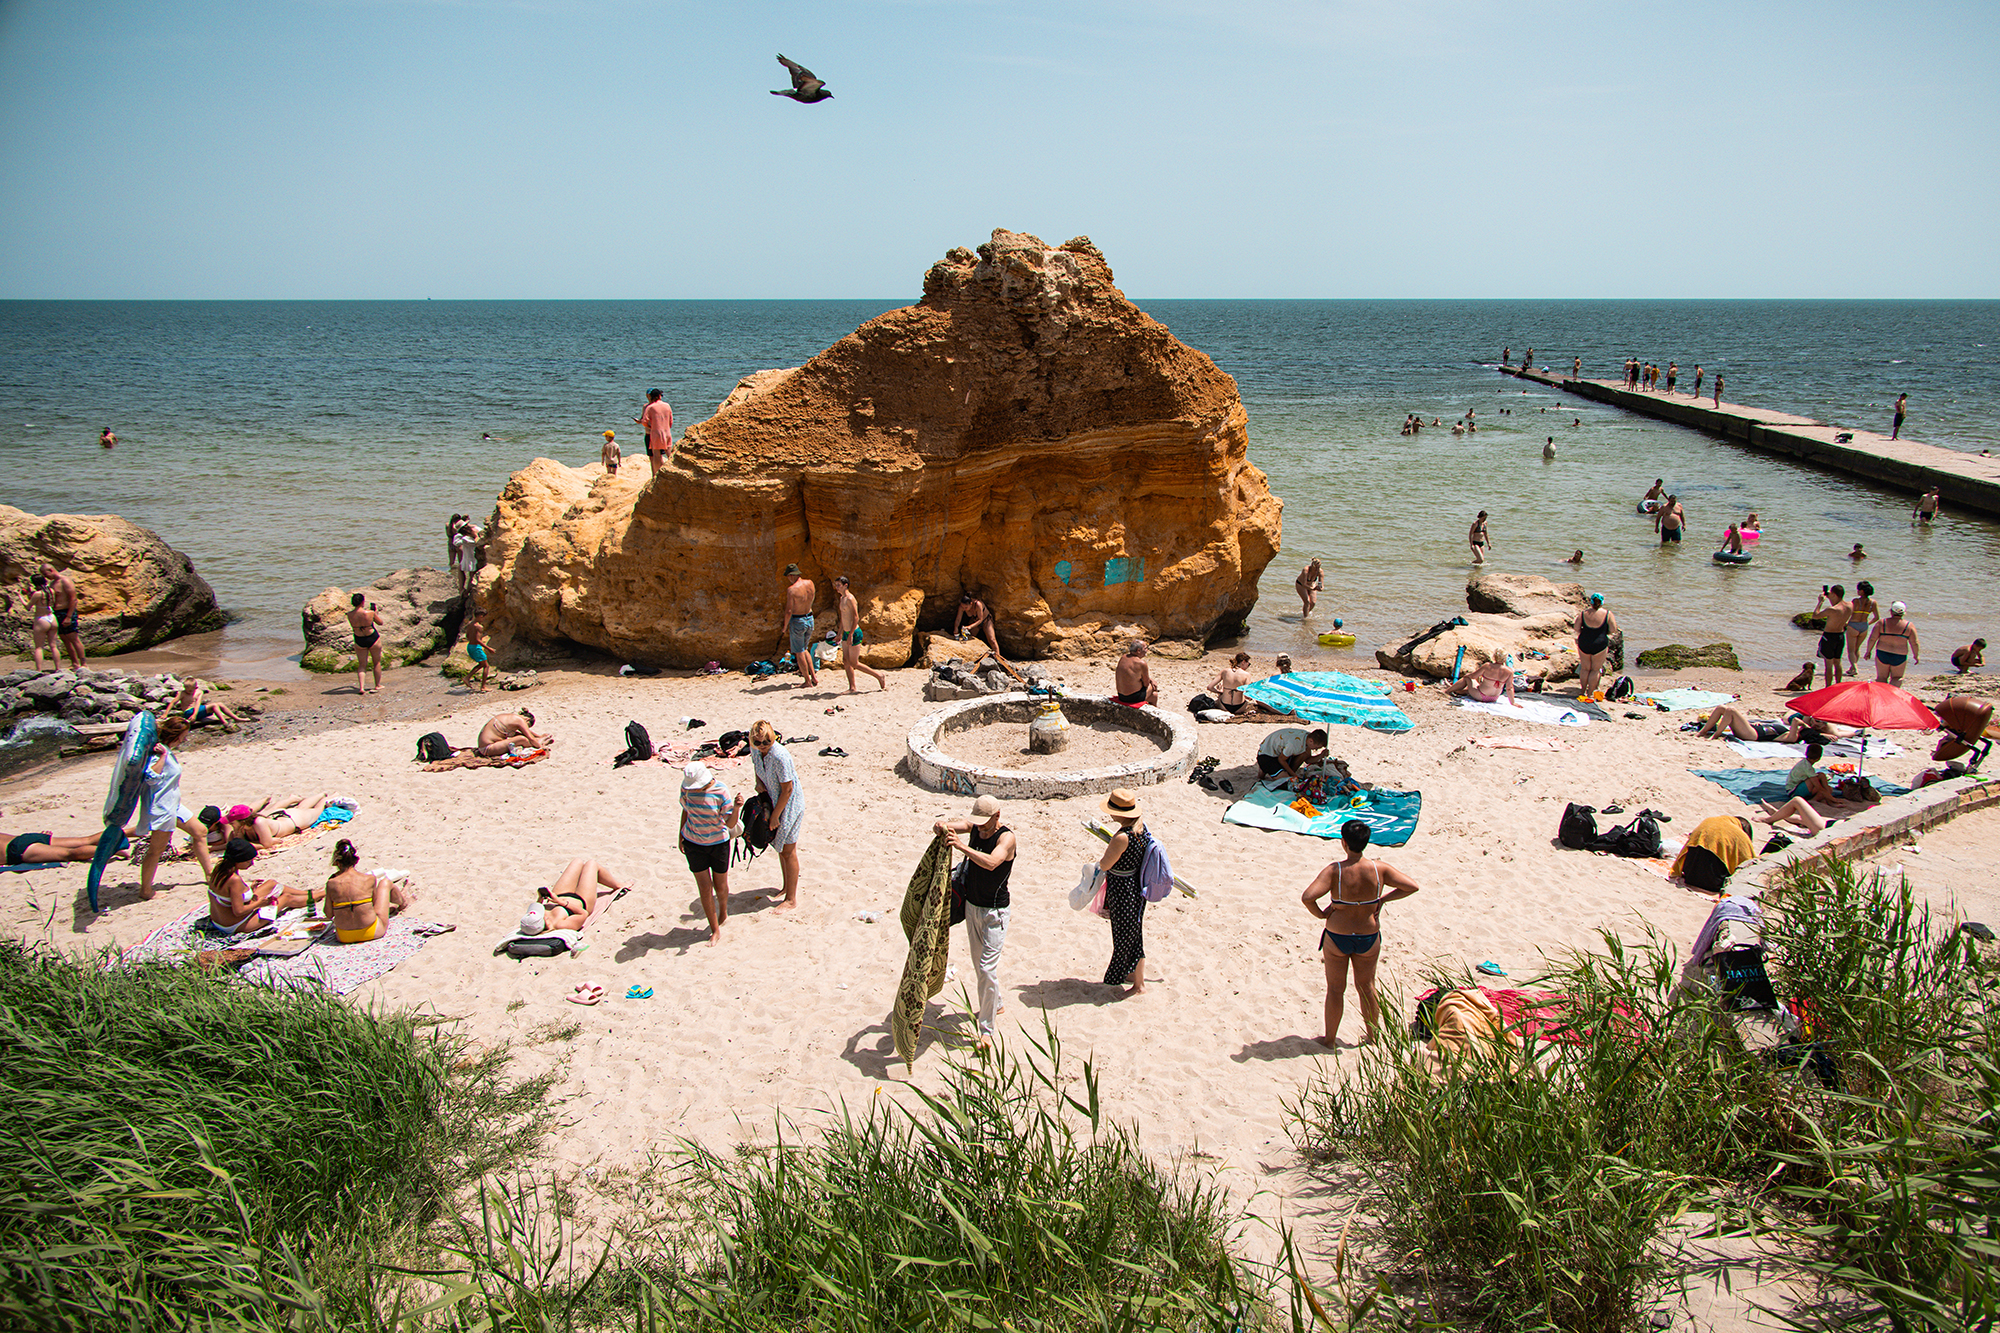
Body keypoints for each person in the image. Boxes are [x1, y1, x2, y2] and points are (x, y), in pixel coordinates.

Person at [1302, 820, 1420, 1047]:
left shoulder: (1335, 870)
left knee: (1336, 989)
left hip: (1338, 935)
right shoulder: (1379, 868)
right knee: (1366, 987)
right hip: (1368, 936)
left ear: (1343, 843)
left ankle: (1329, 1040)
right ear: (1366, 842)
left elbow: (1308, 897)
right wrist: (1382, 899)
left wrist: (1321, 915)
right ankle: (1373, 1036)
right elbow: (1411, 886)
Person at [935, 794, 1016, 1045]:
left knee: (986, 968)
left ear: (997, 817)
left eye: (985, 822)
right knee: (980, 967)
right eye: (977, 821)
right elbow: (949, 825)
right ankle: (997, 1003)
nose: (980, 826)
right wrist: (940, 826)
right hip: (972, 907)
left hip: (995, 913)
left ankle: (986, 1031)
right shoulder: (974, 827)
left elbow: (992, 862)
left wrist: (961, 847)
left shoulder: (1006, 838)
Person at [134, 715, 215, 900]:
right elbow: (150, 777)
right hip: (162, 807)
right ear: (176, 735)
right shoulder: (158, 752)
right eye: (184, 735)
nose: (186, 739)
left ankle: (209, 874)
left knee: (200, 831)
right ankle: (145, 891)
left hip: (174, 804)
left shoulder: (167, 750)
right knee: (156, 849)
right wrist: (162, 756)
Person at [1096, 788, 1152, 996]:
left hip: (1123, 889)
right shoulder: (1141, 829)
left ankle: (1139, 985)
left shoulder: (1122, 837)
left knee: (1127, 935)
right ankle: (1133, 975)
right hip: (1135, 886)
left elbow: (1105, 863)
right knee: (1133, 932)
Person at [680, 761, 743, 946]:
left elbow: (730, 824)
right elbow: (685, 812)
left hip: (718, 844)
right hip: (693, 843)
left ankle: (723, 910)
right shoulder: (686, 789)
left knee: (721, 886)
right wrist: (680, 836)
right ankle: (714, 929)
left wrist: (737, 808)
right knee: (705, 888)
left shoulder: (720, 791)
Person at [749, 720, 805, 911]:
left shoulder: (780, 756)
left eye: (767, 742)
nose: (763, 746)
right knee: (780, 847)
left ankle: (791, 899)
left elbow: (788, 789)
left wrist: (776, 815)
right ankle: (785, 887)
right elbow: (757, 767)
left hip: (789, 805)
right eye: (758, 742)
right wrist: (758, 782)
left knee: (788, 850)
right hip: (773, 800)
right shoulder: (755, 750)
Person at [206, 838, 310, 933]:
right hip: (237, 924)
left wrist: (249, 890)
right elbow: (239, 911)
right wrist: (259, 904)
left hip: (219, 921)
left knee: (271, 884)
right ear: (238, 860)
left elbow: (227, 894)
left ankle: (309, 893)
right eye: (248, 861)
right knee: (287, 898)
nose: (251, 864)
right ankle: (318, 895)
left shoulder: (220, 869)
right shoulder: (234, 879)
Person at [323, 838, 414, 944]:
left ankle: (401, 901)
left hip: (344, 936)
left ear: (337, 863)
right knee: (385, 883)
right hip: (372, 931)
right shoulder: (369, 879)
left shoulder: (331, 883)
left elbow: (328, 914)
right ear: (355, 861)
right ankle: (403, 903)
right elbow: (374, 907)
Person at [515, 859, 635, 935]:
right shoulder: (560, 925)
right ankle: (618, 885)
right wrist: (560, 902)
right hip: (582, 901)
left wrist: (541, 898)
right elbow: (582, 914)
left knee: (576, 862)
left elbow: (538, 906)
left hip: (561, 894)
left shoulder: (533, 919)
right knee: (591, 864)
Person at [204, 796, 334, 851]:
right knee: (301, 807)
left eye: (232, 822)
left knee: (317, 811)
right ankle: (311, 796)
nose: (229, 824)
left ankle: (326, 796)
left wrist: (265, 842)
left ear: (241, 821)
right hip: (279, 818)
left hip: (293, 821)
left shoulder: (258, 822)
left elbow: (266, 844)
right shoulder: (240, 828)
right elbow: (237, 844)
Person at [1668, 816, 1754, 892]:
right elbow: (1748, 865)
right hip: (1714, 885)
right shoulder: (1739, 835)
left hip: (1689, 877)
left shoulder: (1709, 821)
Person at [832, 575, 886, 693]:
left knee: (854, 663)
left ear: (845, 585)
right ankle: (852, 687)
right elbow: (843, 618)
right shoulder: (842, 599)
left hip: (854, 632)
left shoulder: (851, 598)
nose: (836, 588)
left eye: (838, 585)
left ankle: (879, 676)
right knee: (845, 660)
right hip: (846, 632)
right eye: (836, 585)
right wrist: (839, 633)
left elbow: (856, 617)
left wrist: (851, 634)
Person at [778, 563, 820, 688]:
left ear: (791, 575)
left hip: (798, 620)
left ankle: (807, 681)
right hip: (810, 618)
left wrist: (785, 626)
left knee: (799, 651)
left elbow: (789, 610)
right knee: (805, 648)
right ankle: (814, 677)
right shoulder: (810, 583)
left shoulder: (792, 589)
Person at [41, 563, 86, 670]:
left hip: (67, 611)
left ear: (51, 570)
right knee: (64, 639)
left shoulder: (64, 581)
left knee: (73, 638)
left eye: (45, 573)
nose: (45, 576)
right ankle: (74, 662)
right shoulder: (52, 584)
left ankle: (83, 663)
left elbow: (73, 599)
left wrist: (69, 616)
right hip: (57, 612)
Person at [1574, 593, 1618, 702]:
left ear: (1591, 602)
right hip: (1600, 642)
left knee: (1585, 668)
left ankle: (1582, 690)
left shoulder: (1584, 614)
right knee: (1595, 670)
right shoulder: (1607, 614)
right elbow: (1613, 629)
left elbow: (1576, 628)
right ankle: (1590, 693)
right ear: (1602, 602)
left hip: (1584, 641)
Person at [1866, 601, 1919, 685]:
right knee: (1897, 678)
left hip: (1882, 652)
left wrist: (1868, 651)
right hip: (1899, 655)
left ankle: (1882, 696)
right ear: (1904, 612)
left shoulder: (1882, 623)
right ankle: (1891, 696)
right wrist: (1916, 655)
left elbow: (1872, 638)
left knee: (1881, 678)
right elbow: (1914, 643)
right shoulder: (1908, 625)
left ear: (1891, 611)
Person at [1256, 726, 1329, 784]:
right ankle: (1264, 769)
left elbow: (1307, 759)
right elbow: (1281, 759)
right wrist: (1293, 775)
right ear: (1311, 741)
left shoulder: (1306, 737)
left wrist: (1321, 755)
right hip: (1267, 756)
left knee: (1305, 753)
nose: (1315, 750)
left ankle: (1269, 771)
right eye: (1316, 748)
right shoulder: (1295, 744)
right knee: (1287, 782)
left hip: (1277, 752)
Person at [1812, 585, 1853, 687]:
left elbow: (1815, 615)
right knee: (1838, 662)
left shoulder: (1832, 609)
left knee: (1829, 664)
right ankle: (1838, 685)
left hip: (1829, 636)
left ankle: (1828, 687)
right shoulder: (1850, 605)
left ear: (1834, 594)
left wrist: (1820, 602)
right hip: (1840, 635)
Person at [5, 827, 109, 866]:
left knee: (69, 854)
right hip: (25, 838)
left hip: (17, 850)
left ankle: (112, 850)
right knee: (86, 840)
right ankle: (124, 832)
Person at [346, 592, 385, 694]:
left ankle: (361, 688)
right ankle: (377, 685)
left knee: (362, 664)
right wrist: (375, 613)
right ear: (363, 602)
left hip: (359, 639)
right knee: (376, 662)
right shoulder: (370, 613)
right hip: (372, 637)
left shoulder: (349, 615)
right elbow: (380, 622)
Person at [174, 676, 242, 728]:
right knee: (214, 705)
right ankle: (224, 722)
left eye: (191, 690)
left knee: (220, 704)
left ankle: (236, 718)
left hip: (196, 711)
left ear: (196, 688)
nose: (189, 692)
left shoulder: (199, 692)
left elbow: (198, 704)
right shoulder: (182, 693)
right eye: (187, 690)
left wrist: (195, 714)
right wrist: (165, 714)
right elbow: (172, 702)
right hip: (188, 713)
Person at [477, 709, 551, 756]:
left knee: (521, 737)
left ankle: (540, 740)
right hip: (488, 749)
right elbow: (529, 737)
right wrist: (540, 747)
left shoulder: (510, 717)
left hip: (485, 747)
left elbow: (523, 732)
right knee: (522, 739)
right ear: (527, 719)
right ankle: (541, 742)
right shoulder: (519, 720)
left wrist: (538, 736)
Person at [953, 591, 1002, 660]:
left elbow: (980, 619)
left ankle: (998, 658)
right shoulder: (962, 607)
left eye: (966, 607)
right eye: (963, 607)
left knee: (992, 640)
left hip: (985, 621)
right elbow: (958, 619)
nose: (964, 609)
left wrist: (970, 627)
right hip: (974, 621)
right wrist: (956, 628)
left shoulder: (978, 604)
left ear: (971, 604)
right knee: (969, 637)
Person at [636, 388, 674, 474]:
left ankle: (658, 473)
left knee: (656, 454)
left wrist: (650, 426)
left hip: (656, 432)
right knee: (669, 453)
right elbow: (671, 420)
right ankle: (673, 471)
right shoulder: (667, 405)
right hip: (667, 432)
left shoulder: (650, 407)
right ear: (659, 396)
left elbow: (644, 422)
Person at [25, 572, 57, 672]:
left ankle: (38, 670)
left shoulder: (37, 594)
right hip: (52, 617)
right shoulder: (51, 591)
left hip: (41, 619)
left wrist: (20, 596)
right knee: (53, 646)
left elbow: (27, 607)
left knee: (39, 647)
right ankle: (58, 668)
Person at [1846, 580, 1879, 676]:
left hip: (1853, 625)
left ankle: (1855, 667)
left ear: (1862, 591)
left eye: (1858, 589)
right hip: (1864, 626)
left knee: (1851, 650)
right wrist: (1868, 623)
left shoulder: (1855, 601)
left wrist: (1845, 623)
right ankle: (1852, 668)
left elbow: (1849, 613)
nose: (1857, 591)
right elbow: (1877, 617)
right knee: (1857, 648)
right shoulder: (1873, 603)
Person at [1446, 659, 1516, 705]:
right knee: (1476, 684)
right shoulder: (1509, 671)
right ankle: (1459, 691)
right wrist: (1513, 703)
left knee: (1467, 677)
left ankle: (1447, 691)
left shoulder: (1488, 666)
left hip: (1481, 696)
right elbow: (1509, 688)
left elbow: (1473, 676)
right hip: (1494, 698)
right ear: (1504, 659)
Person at [1113, 640, 1157, 706]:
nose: (1147, 650)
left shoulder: (1123, 657)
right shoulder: (1141, 663)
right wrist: (1152, 681)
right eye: (1145, 648)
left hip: (1121, 696)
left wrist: (1150, 679)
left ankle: (1154, 708)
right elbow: (1146, 684)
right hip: (1133, 698)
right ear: (1138, 651)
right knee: (1153, 686)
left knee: (1154, 696)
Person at [463, 614, 492, 691]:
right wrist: (488, 648)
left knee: (481, 664)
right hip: (476, 647)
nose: (484, 619)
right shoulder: (479, 627)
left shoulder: (470, 624)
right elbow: (477, 640)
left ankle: (467, 677)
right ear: (481, 616)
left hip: (470, 646)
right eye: (484, 617)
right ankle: (483, 687)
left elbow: (467, 636)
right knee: (486, 666)